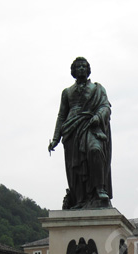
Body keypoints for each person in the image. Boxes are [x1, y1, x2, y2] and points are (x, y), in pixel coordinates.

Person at [48, 57, 112, 210]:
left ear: (88, 69)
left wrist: (98, 117)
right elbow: (61, 116)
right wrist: (56, 138)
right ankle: (80, 199)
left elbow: (105, 107)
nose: (81, 69)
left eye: (84, 66)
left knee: (95, 150)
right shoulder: (67, 92)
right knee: (75, 167)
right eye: (78, 67)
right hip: (71, 130)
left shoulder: (98, 89)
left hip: (91, 126)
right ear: (73, 71)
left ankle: (99, 189)